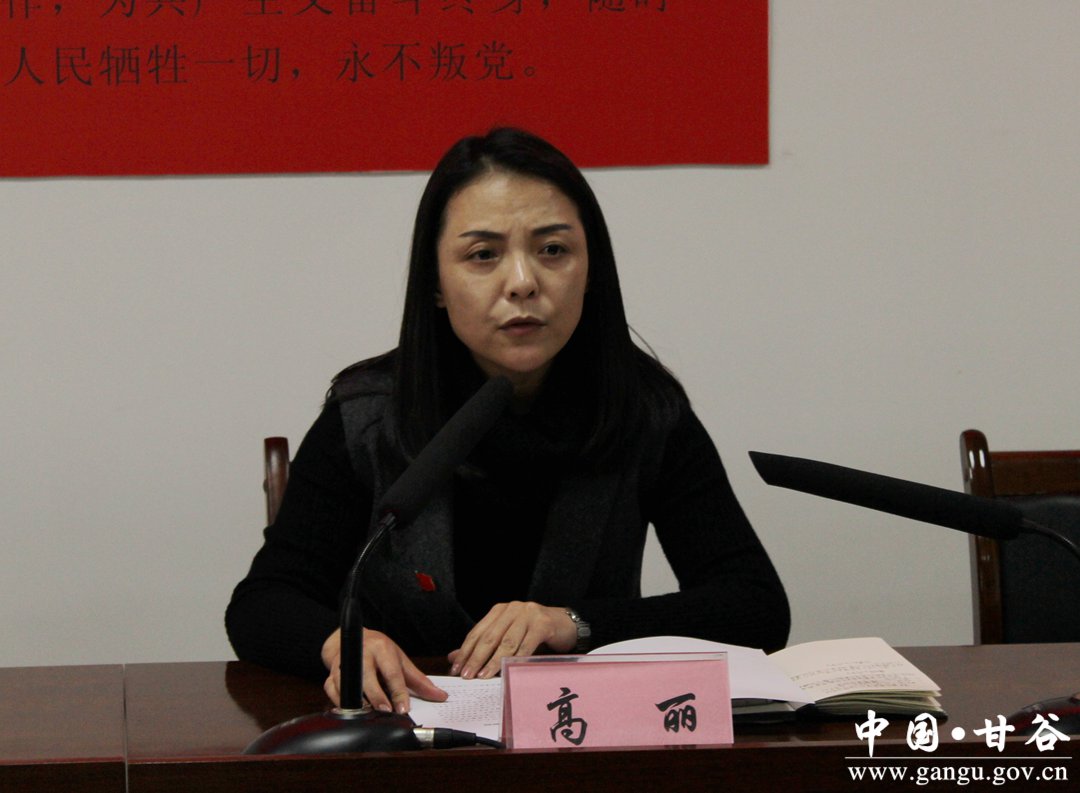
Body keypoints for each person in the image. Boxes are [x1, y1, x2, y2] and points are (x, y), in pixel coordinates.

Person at [225, 128, 789, 716]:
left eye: (553, 250)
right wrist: (338, 642)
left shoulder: (643, 411)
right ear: (435, 284)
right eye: (483, 255)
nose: (522, 282)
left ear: (591, 270)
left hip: (579, 738)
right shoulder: (368, 414)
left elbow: (756, 608)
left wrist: (575, 623)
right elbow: (263, 602)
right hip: (400, 735)